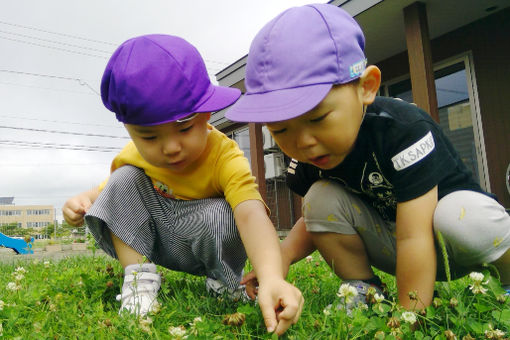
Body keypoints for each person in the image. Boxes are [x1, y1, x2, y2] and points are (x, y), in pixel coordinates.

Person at [226, 4, 510, 311]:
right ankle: (365, 288)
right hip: (396, 241)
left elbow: (415, 235)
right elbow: (314, 219)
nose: (303, 142)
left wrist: (409, 317)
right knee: (319, 197)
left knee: (459, 216)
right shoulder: (308, 158)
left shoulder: (402, 129)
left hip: (454, 239)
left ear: (366, 87)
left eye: (318, 119)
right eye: (280, 129)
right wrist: (282, 257)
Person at [62, 34, 303, 335]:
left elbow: (251, 213)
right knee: (124, 178)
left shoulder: (224, 156)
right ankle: (139, 281)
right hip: (158, 238)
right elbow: (107, 192)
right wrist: (81, 201)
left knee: (227, 212)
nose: (170, 147)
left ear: (206, 114)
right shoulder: (134, 157)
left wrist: (271, 277)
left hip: (207, 238)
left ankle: (225, 281)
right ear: (130, 130)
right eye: (149, 137)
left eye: (185, 128)